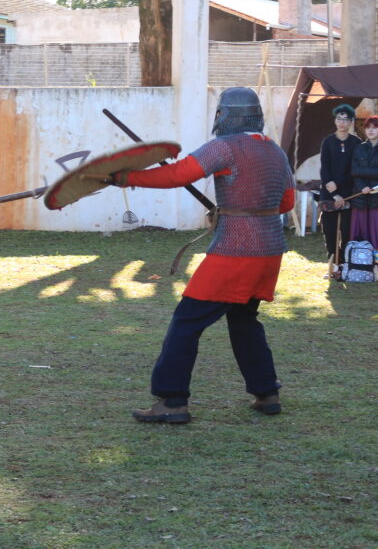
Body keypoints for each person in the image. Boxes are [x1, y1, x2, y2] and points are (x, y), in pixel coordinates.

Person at [109, 87, 295, 424]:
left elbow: (179, 174)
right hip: (269, 250)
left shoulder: (225, 146)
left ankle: (172, 400)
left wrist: (128, 177)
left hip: (236, 250)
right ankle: (267, 392)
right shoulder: (275, 153)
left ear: (223, 116)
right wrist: (237, 208)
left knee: (187, 321)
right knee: (243, 318)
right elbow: (286, 204)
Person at [349, 115, 378, 271]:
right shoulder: (359, 148)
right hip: (360, 197)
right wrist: (362, 187)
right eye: (368, 127)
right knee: (360, 231)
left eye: (374, 127)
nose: (370, 130)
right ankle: (360, 264)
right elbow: (354, 171)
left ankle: (377, 266)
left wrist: (367, 179)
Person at [318, 104, 361, 266]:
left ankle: (344, 264)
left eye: (345, 119)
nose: (342, 122)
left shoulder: (356, 143)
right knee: (329, 230)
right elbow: (324, 166)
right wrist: (332, 190)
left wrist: (339, 188)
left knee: (347, 230)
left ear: (351, 122)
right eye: (339, 119)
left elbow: (354, 170)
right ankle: (333, 263)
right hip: (329, 192)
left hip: (349, 193)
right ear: (335, 121)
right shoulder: (328, 142)